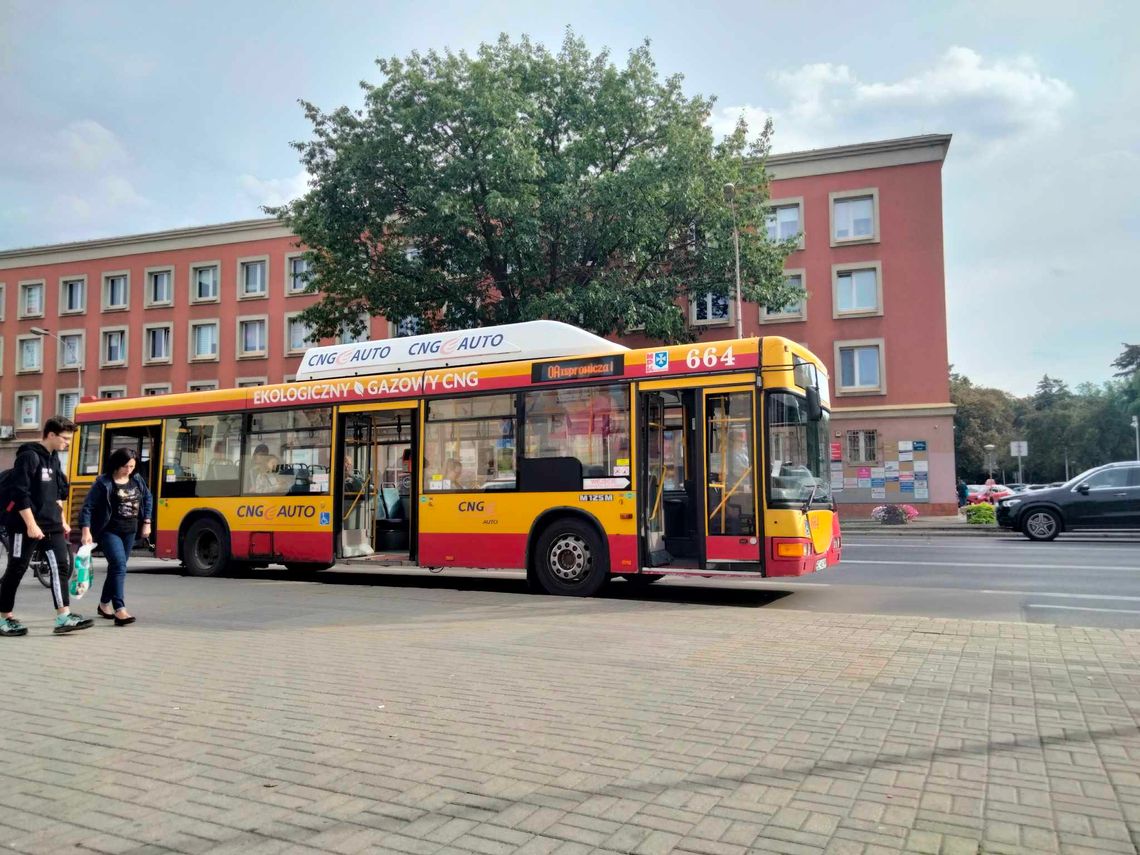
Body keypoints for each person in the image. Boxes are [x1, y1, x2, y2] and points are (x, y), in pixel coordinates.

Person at [0, 416, 91, 636]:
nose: (68, 443)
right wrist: (31, 524)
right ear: (51, 435)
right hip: (24, 526)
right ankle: (4, 617)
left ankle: (63, 616)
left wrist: (62, 520)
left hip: (51, 524)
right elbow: (20, 493)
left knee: (60, 566)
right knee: (17, 569)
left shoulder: (54, 458)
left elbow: (58, 492)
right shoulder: (28, 457)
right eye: (65, 438)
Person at [79, 447, 153, 626]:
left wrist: (147, 522)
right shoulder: (103, 482)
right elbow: (87, 507)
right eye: (126, 466)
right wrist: (86, 530)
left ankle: (104, 604)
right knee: (119, 565)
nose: (129, 470)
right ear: (117, 464)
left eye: (132, 466)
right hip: (109, 530)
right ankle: (120, 609)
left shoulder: (136, 479)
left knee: (116, 568)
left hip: (130, 530)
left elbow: (147, 498)